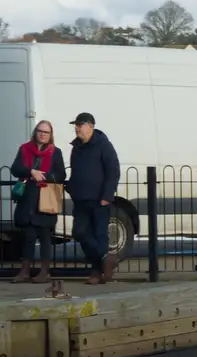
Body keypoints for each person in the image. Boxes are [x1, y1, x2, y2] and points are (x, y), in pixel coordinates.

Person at [66, 112, 121, 286]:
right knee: (80, 233)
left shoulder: (104, 145)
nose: (76, 128)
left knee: (99, 235)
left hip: (99, 200)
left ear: (90, 126)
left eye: (79, 125)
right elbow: (75, 171)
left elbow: (113, 172)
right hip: (81, 199)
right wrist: (72, 189)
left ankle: (97, 272)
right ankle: (107, 258)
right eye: (75, 125)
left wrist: (107, 195)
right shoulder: (76, 147)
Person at [9, 120, 67, 284]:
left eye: (46, 132)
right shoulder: (25, 149)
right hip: (28, 200)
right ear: (35, 132)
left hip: (45, 200)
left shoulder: (55, 152)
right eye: (40, 131)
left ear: (50, 135)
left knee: (44, 237)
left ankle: (44, 272)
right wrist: (31, 171)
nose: (42, 134)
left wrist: (44, 177)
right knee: (28, 237)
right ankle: (25, 271)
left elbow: (61, 175)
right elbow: (15, 169)